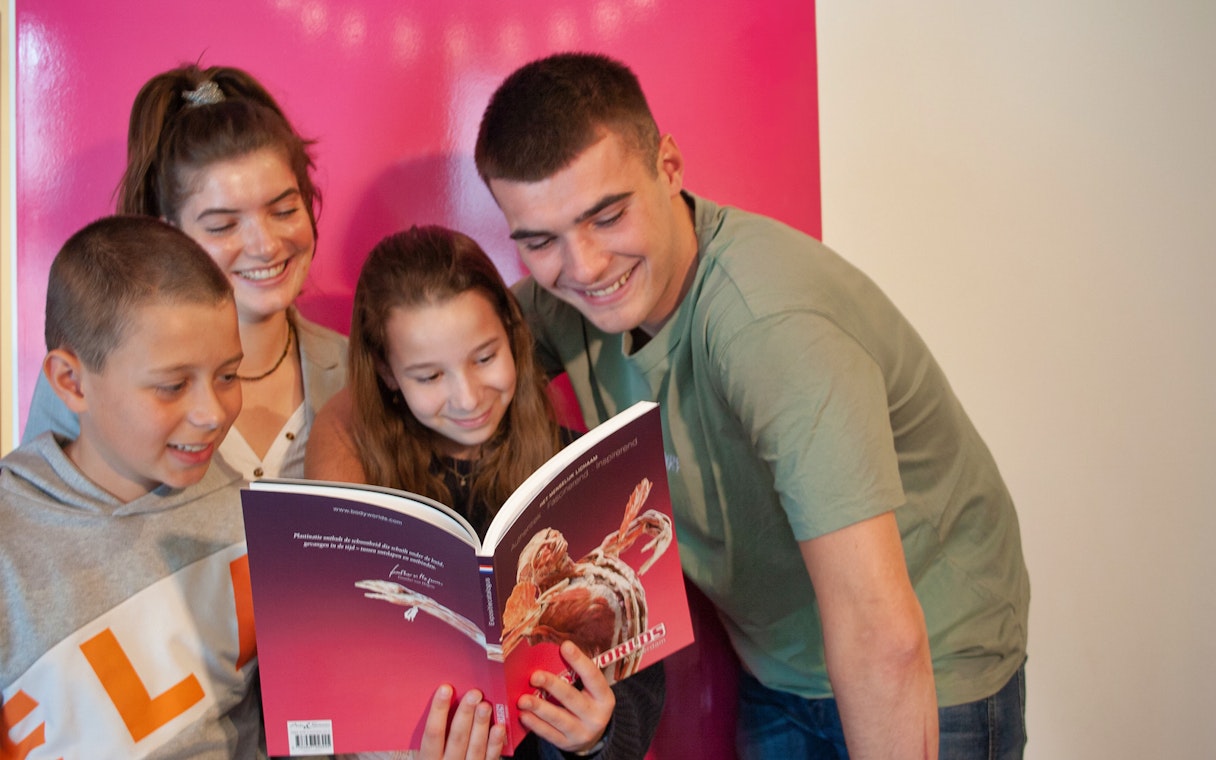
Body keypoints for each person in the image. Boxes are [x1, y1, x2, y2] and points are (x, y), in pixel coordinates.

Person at [473, 52, 1031, 759]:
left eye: (607, 216)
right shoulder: (570, 298)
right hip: (781, 665)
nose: (582, 266)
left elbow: (881, 632)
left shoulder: (768, 325)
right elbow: (417, 362)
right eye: (540, 242)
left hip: (931, 658)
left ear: (669, 168)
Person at [306, 225, 665, 759]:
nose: (468, 396)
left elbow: (640, 674)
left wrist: (600, 735)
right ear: (386, 372)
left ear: (513, 333)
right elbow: (320, 698)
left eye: (484, 357)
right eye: (428, 376)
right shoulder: (357, 488)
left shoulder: (582, 467)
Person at [0, 216, 258, 755]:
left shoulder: (251, 522)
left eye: (228, 376)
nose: (212, 413)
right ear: (71, 382)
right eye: (171, 386)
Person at [22, 63, 346, 481]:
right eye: (222, 226)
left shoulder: (357, 371)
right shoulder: (97, 378)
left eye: (284, 210)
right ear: (169, 232)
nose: (265, 245)